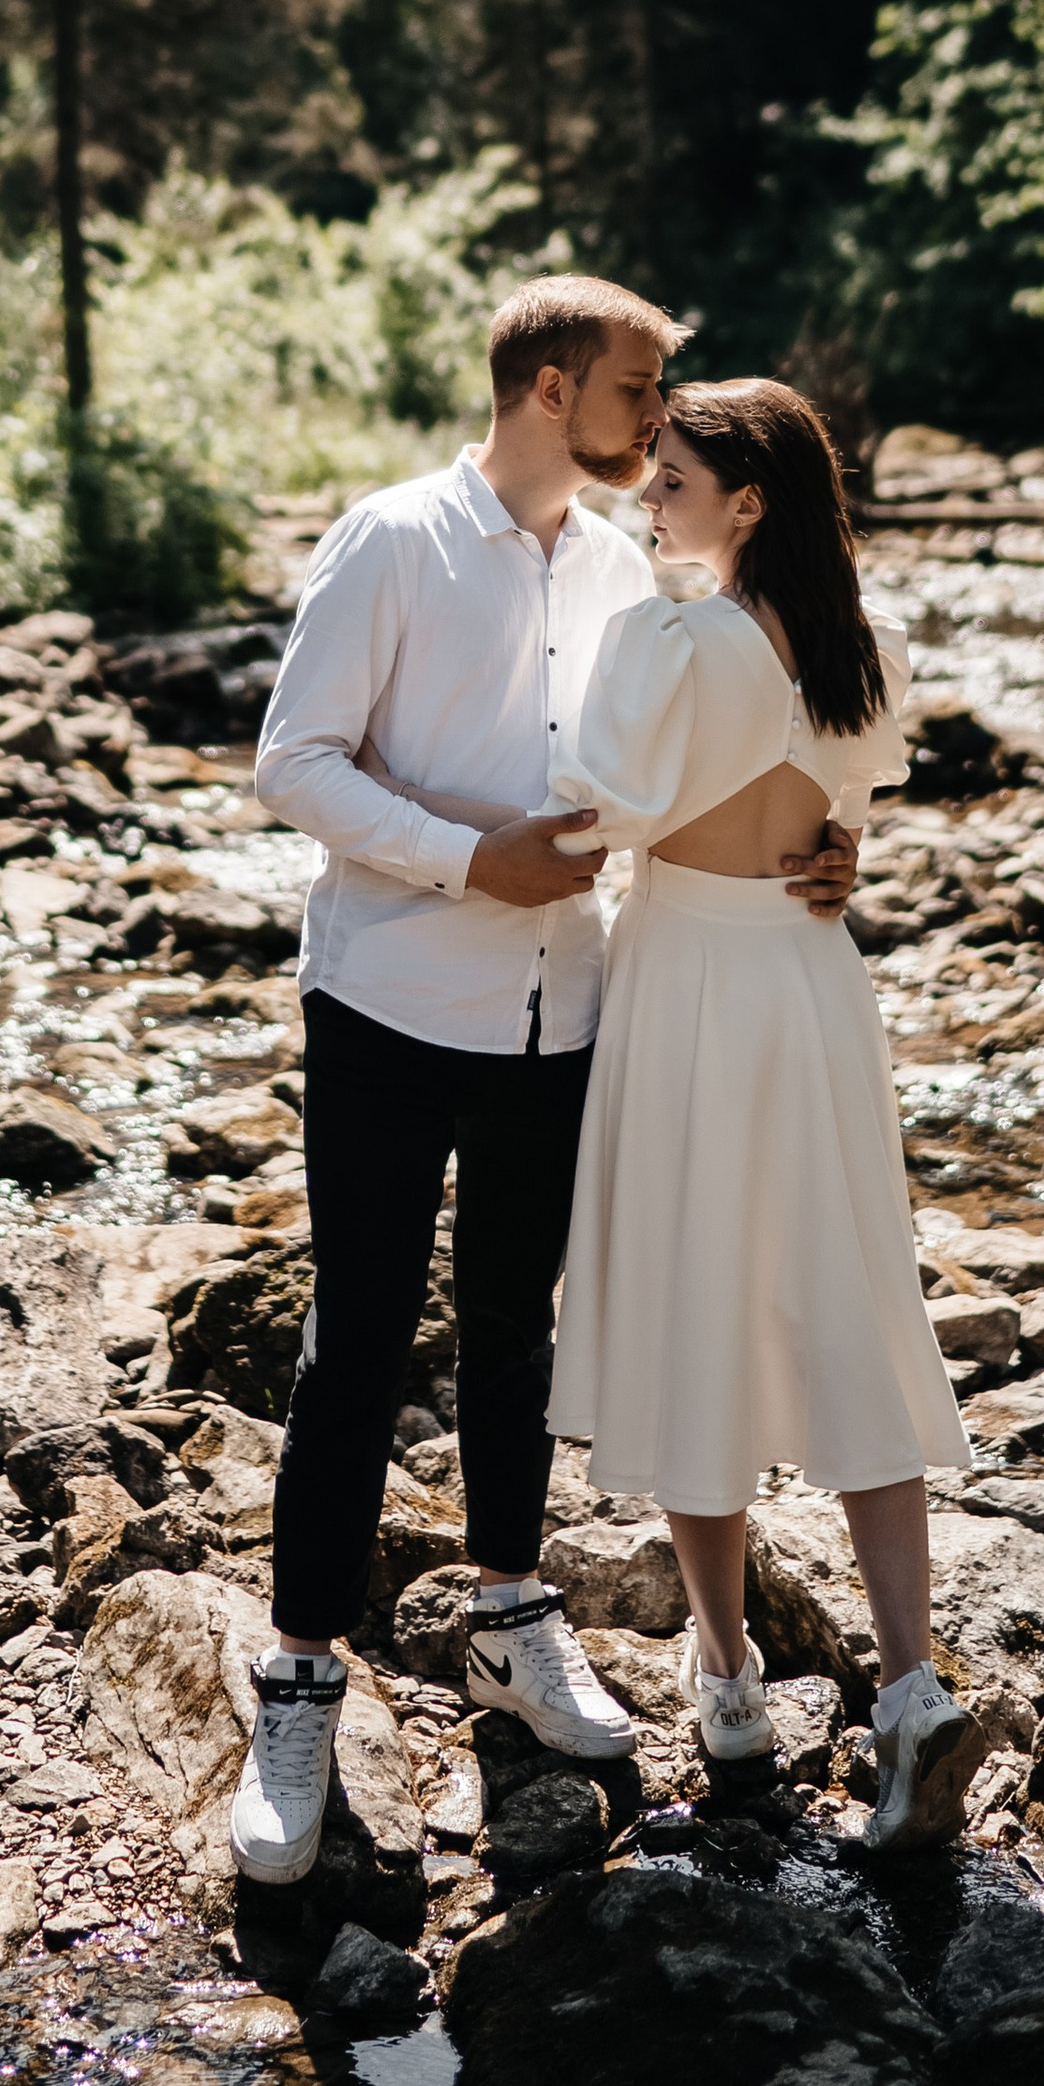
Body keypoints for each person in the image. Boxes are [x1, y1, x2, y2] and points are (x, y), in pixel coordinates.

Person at [229, 283, 863, 1887]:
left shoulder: (628, 568)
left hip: (563, 1012)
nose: (660, 418)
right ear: (552, 388)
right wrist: (467, 861)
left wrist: (825, 845)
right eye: (639, 389)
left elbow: (717, 758)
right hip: (388, 998)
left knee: (517, 1331)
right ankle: (298, 1683)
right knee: (359, 1338)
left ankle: (512, 1619)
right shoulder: (392, 538)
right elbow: (293, 761)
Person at [543, 378, 981, 1850]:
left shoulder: (673, 641)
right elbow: (837, 823)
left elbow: (594, 810)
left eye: (672, 480)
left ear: (749, 502)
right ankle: (909, 1687)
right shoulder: (863, 644)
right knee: (850, 1298)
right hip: (810, 985)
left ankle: (728, 1682)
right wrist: (836, 851)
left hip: (688, 981)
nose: (647, 499)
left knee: (696, 1306)